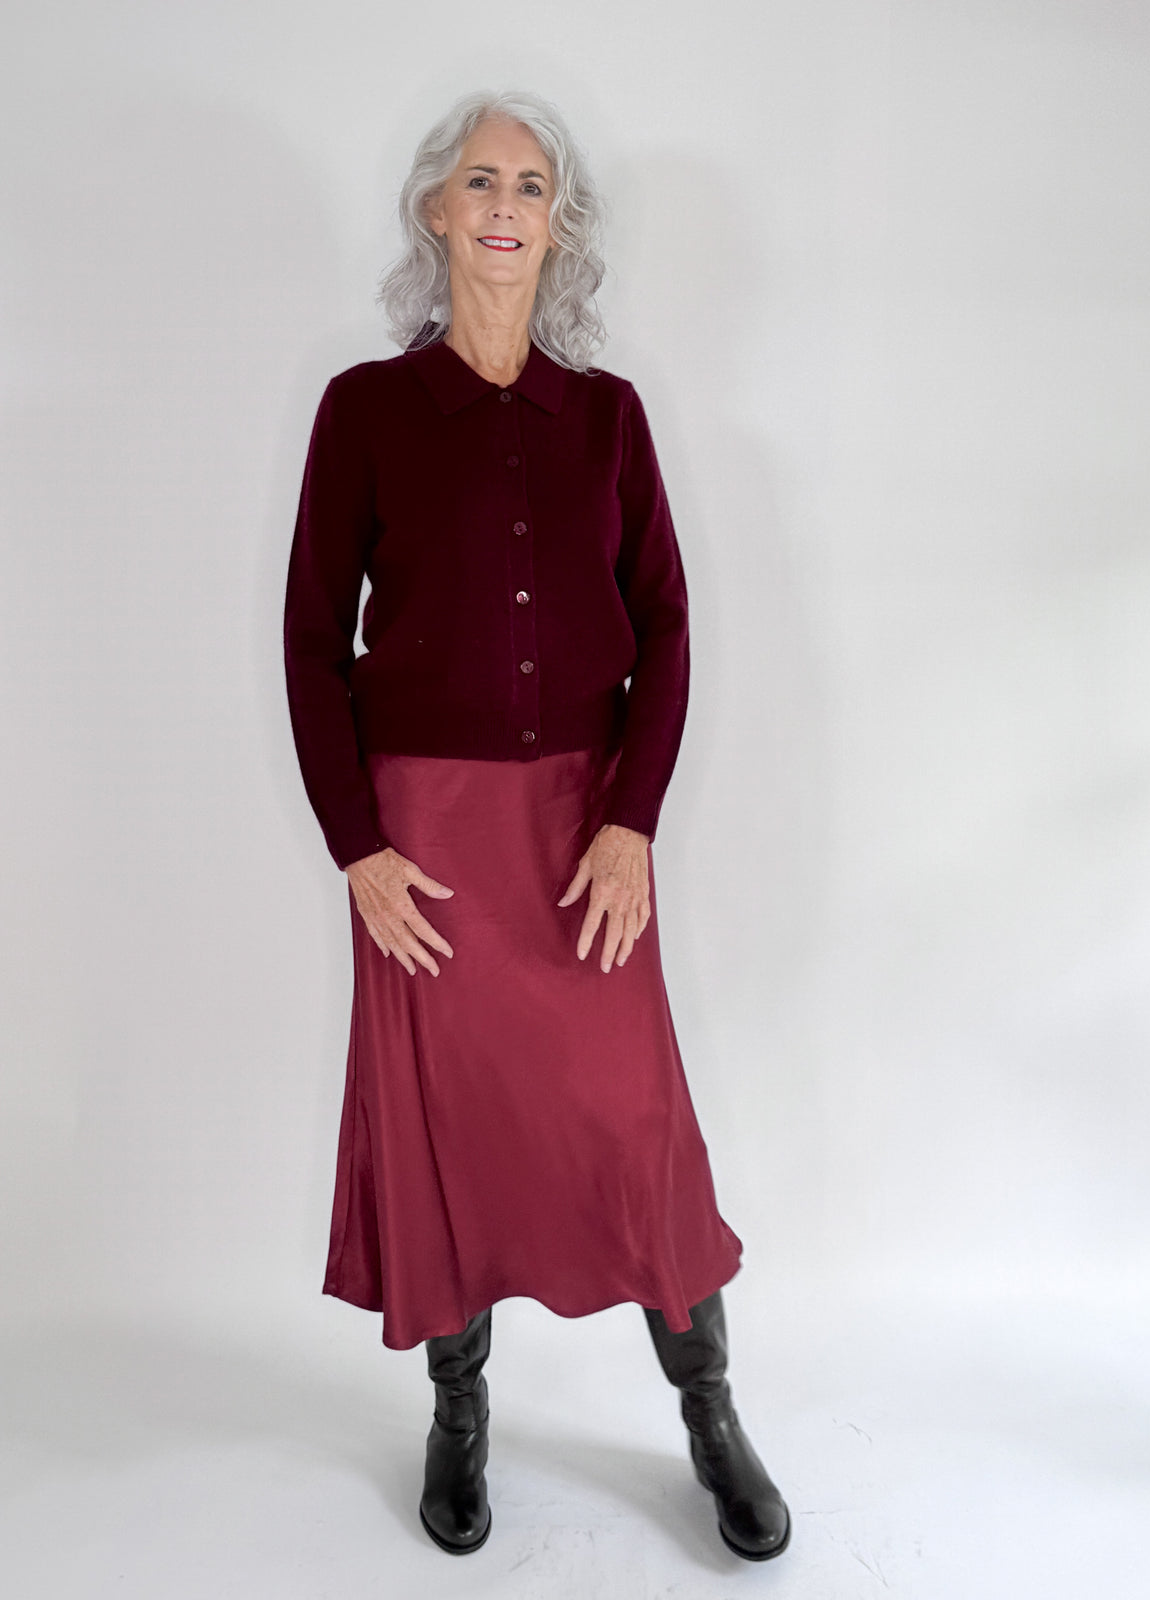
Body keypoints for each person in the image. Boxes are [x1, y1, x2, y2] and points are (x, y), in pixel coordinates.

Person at [283, 87, 790, 1562]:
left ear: (555, 227)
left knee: (635, 1132)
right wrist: (358, 847)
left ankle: (707, 1410)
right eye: (479, 178)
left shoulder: (608, 419)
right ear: (435, 211)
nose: (506, 202)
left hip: (581, 842)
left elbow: (671, 630)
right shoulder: (367, 412)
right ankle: (458, 1414)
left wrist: (630, 819)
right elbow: (314, 639)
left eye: (533, 184)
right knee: (452, 1137)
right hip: (424, 849)